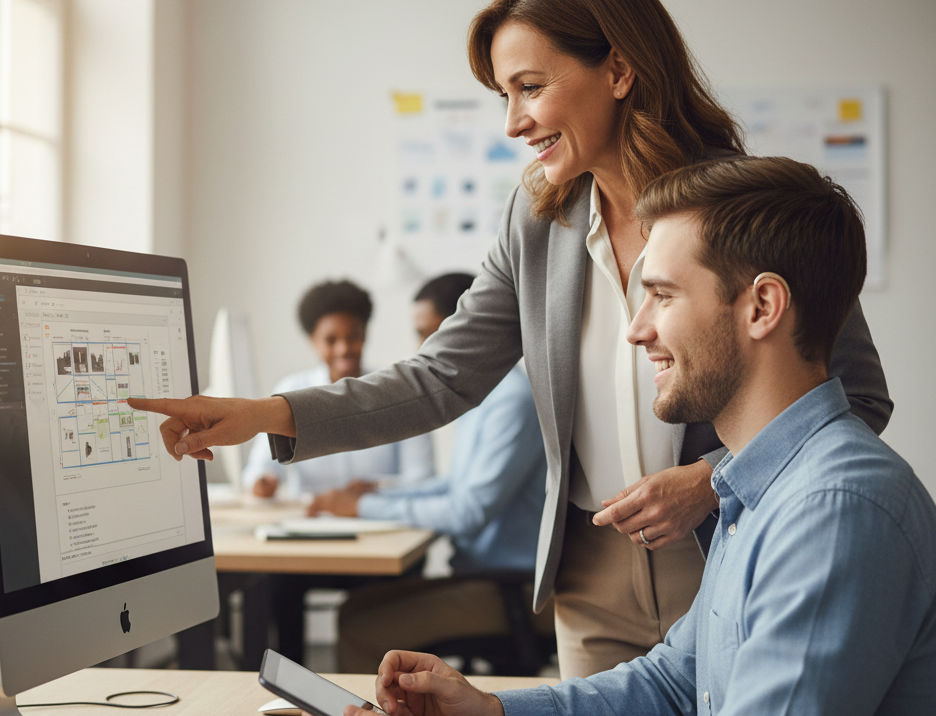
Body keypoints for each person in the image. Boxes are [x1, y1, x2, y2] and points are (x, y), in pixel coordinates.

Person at [129, 0, 892, 678]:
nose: (512, 122)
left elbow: (855, 396)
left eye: (530, 87)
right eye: (504, 95)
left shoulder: (744, 206)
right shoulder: (538, 224)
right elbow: (441, 377)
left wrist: (711, 481)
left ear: (620, 69)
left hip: (727, 548)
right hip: (590, 570)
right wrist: (267, 414)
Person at [346, 157, 936, 716]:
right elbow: (675, 682)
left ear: (762, 306)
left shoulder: (831, 512)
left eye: (663, 294)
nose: (636, 329)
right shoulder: (755, 489)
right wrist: (494, 710)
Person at [306, 273, 550, 673]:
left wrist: (364, 507)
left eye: (428, 334)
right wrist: (381, 493)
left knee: (360, 626)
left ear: (466, 327)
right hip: (485, 578)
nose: (421, 349)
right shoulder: (486, 394)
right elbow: (456, 486)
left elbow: (467, 512)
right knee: (356, 608)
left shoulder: (512, 401)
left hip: (513, 590)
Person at [241, 278, 433, 499]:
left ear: (365, 334)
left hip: (381, 522)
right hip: (311, 523)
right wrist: (263, 481)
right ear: (313, 341)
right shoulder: (291, 391)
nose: (343, 349)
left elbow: (423, 478)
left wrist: (376, 488)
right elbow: (259, 469)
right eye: (331, 340)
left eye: (353, 337)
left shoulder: (399, 390)